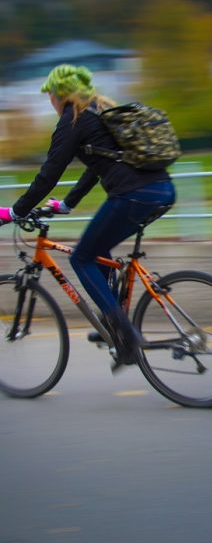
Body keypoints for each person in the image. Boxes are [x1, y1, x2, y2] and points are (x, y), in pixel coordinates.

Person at [0, 64, 176, 371]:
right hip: (161, 190)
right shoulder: (97, 110)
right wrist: (66, 204)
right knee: (99, 249)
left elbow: (48, 174)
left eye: (50, 97)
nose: (50, 103)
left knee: (81, 257)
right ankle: (114, 321)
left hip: (133, 194)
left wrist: (16, 211)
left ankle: (125, 333)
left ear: (58, 95)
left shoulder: (73, 120)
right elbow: (96, 167)